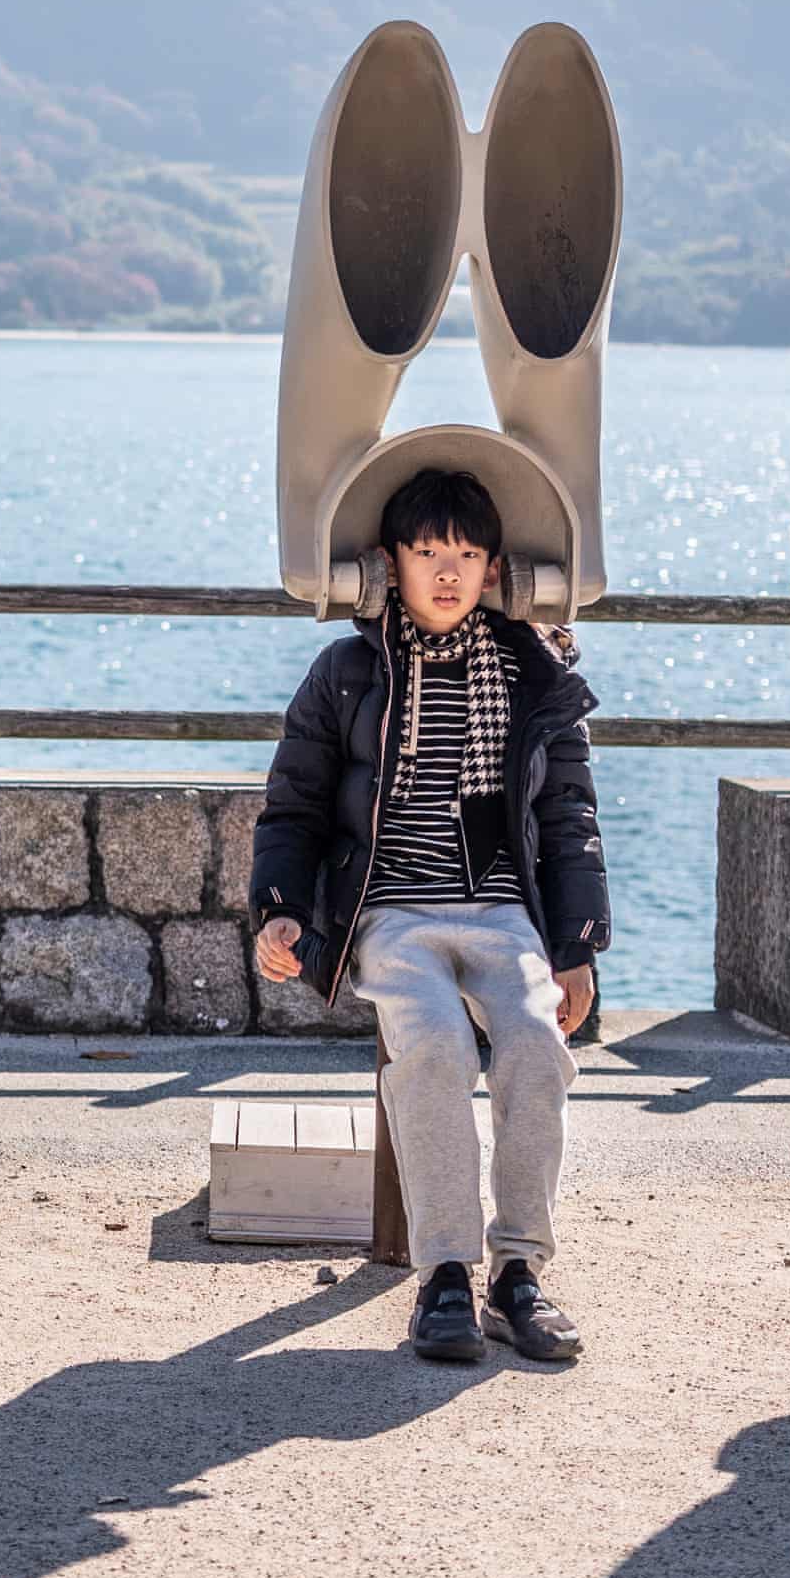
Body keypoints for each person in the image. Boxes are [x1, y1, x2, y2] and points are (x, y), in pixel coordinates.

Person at [248, 467, 610, 1366]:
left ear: (493, 570)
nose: (446, 572)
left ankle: (518, 1270)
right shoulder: (346, 672)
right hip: (391, 914)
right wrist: (283, 910)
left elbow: (568, 818)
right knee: (438, 1046)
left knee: (534, 1040)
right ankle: (444, 1272)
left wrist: (573, 949)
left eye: (466, 554)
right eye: (426, 552)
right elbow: (292, 805)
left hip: (501, 911)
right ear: (390, 565)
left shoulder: (535, 674)